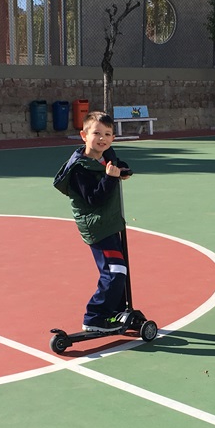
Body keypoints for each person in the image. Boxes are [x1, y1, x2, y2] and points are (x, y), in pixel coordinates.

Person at [53, 111, 132, 332]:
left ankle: (115, 311)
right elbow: (94, 199)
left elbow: (118, 164)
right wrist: (110, 178)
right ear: (84, 135)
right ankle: (95, 317)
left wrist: (123, 170)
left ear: (113, 138)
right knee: (115, 270)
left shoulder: (107, 155)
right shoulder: (80, 169)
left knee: (120, 270)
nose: (102, 138)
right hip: (97, 226)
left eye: (107, 134)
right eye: (96, 133)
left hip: (110, 222)